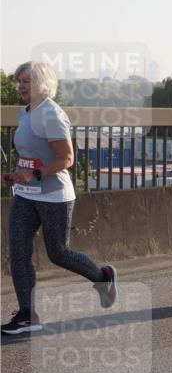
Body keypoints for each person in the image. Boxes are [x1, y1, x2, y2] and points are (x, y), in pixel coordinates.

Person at [2, 61, 118, 335]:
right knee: (18, 251)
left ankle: (103, 277)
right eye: (19, 80)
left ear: (42, 82)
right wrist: (17, 174)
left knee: (59, 253)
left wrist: (36, 175)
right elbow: (31, 154)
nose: (20, 85)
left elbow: (66, 158)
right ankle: (27, 315)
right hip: (27, 194)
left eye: (27, 80)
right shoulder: (25, 113)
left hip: (54, 196)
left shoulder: (51, 114)